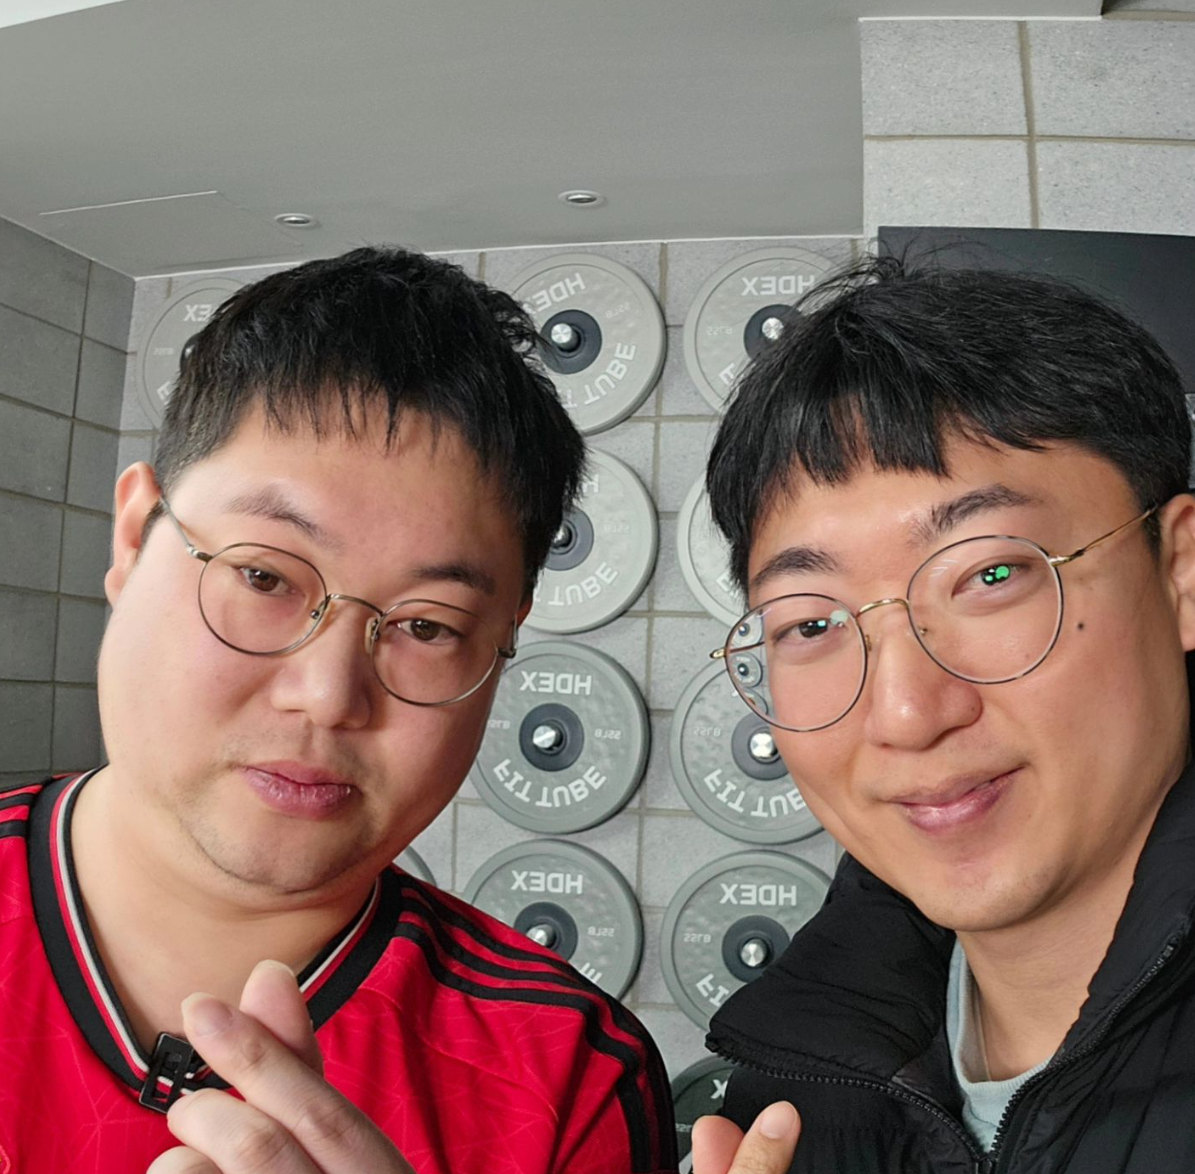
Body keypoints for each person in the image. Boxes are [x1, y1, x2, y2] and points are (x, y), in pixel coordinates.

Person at [1, 246, 698, 1174]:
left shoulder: (566, 1077)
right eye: (263, 577)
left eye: (428, 626)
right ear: (133, 539)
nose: (329, 694)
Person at [698, 255, 1195, 1172]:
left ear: (1179, 573)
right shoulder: (793, 1091)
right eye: (810, 623)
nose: (904, 713)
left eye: (989, 574)